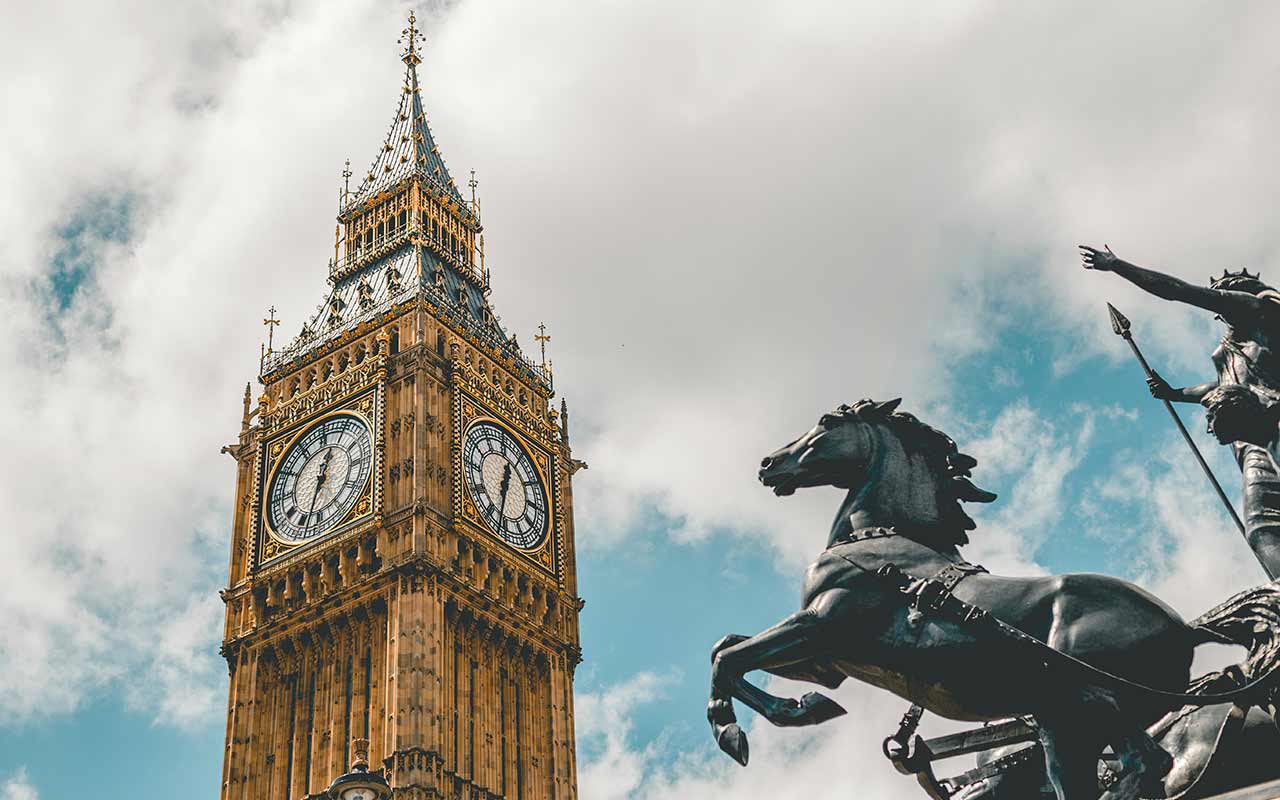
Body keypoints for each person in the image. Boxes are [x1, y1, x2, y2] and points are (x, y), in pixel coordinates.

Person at [1081, 244, 1280, 576]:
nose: (1218, 301)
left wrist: (1117, 266)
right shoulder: (1228, 349)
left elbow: (1178, 292)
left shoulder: (1259, 313)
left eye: (1222, 294)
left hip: (1274, 422)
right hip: (1250, 445)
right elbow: (1219, 386)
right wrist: (1174, 392)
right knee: (1261, 529)